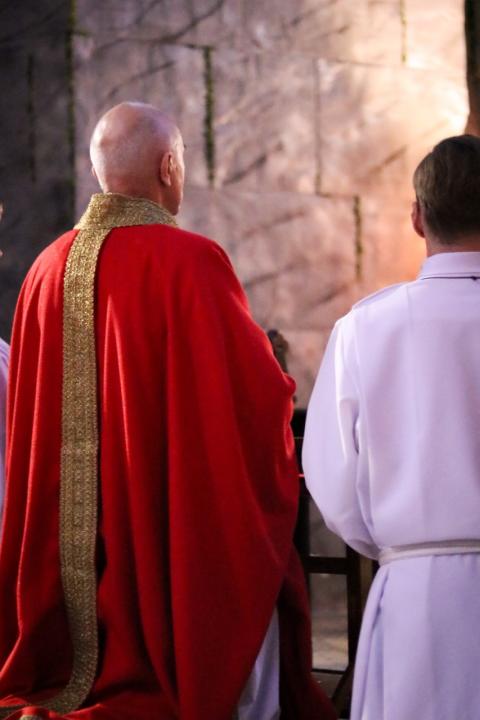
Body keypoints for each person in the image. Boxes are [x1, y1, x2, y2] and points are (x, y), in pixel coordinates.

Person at [0, 102, 336, 720]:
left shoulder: (43, 272)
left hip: (59, 572)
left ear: (98, 171)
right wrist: (277, 379)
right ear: (169, 167)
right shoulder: (190, 262)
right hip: (156, 531)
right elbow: (255, 400)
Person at [303, 134, 480, 720]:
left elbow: (333, 484)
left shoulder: (365, 328)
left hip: (418, 596)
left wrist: (402, 548)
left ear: (417, 217)